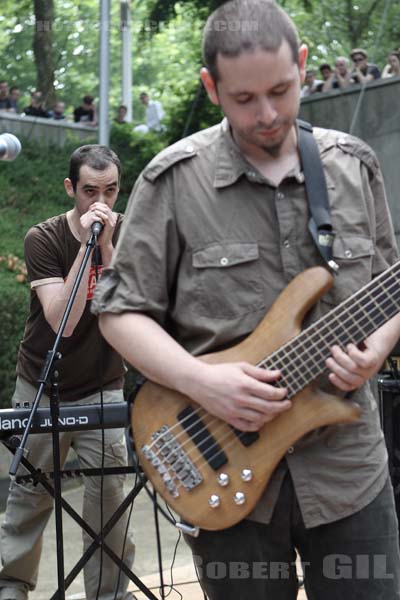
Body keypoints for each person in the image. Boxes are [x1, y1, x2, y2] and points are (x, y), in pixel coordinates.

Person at [93, 0, 400, 599]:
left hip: (348, 468)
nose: (267, 114)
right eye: (244, 99)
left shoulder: (353, 167)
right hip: (217, 466)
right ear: (211, 86)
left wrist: (378, 349)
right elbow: (121, 312)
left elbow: (390, 289)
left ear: (304, 65)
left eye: (282, 91)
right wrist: (205, 384)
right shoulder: (172, 181)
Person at [0, 145, 135, 600]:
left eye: (111, 190)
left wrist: (109, 247)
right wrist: (86, 247)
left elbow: (128, 310)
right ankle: (12, 588)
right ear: (71, 188)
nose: (102, 200)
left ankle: (110, 594)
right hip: (42, 383)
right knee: (29, 498)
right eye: (90, 190)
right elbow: (64, 320)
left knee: (110, 498)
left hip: (103, 386)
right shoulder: (44, 238)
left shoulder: (125, 237)